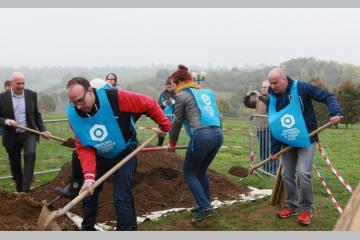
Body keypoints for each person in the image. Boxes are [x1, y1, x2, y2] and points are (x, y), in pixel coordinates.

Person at [66, 77, 170, 231]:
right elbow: (84, 147)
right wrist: (89, 177)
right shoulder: (74, 116)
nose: (79, 106)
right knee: (88, 194)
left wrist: (165, 124)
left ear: (90, 90)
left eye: (81, 100)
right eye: (74, 103)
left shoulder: (115, 97)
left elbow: (148, 102)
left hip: (125, 151)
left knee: (121, 195)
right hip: (100, 153)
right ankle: (87, 229)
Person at [266, 68, 342, 225]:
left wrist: (335, 112)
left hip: (307, 139)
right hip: (287, 142)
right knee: (287, 174)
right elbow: (275, 126)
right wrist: (274, 151)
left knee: (304, 173)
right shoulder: (272, 98)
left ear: (285, 79)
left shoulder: (301, 88)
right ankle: (292, 206)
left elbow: (328, 96)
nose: (272, 86)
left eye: (275, 83)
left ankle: (306, 209)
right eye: (270, 83)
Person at [167, 65, 223, 222]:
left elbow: (177, 120)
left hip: (202, 135)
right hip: (218, 134)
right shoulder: (206, 92)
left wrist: (172, 142)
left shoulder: (183, 95)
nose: (173, 88)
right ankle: (205, 203)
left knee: (189, 173)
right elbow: (218, 115)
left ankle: (205, 208)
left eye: (173, 84)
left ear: (179, 82)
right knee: (201, 171)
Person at [0, 72, 51, 192]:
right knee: (15, 163)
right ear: (11, 83)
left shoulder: (31, 95)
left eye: (23, 83)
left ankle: (25, 190)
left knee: (30, 154)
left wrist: (43, 130)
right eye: (18, 83)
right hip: (11, 135)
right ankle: (19, 189)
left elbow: (37, 115)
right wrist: (6, 121)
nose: (21, 86)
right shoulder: (2, 97)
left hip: (29, 133)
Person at [244, 80, 279, 175]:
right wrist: (247, 96)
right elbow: (248, 104)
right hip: (260, 129)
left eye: (265, 87)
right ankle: (266, 170)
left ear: (270, 88)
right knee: (263, 151)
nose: (263, 89)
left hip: (270, 130)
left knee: (271, 151)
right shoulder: (259, 99)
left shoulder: (272, 98)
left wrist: (259, 95)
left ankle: (274, 171)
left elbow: (267, 102)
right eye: (262, 87)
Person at [157, 77, 176, 146]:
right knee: (161, 134)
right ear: (166, 86)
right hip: (163, 117)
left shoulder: (176, 94)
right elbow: (158, 107)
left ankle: (172, 150)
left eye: (171, 87)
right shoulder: (162, 94)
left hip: (173, 118)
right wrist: (165, 103)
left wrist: (174, 102)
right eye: (168, 87)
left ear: (173, 86)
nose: (169, 89)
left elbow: (180, 107)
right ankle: (159, 147)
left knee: (172, 136)